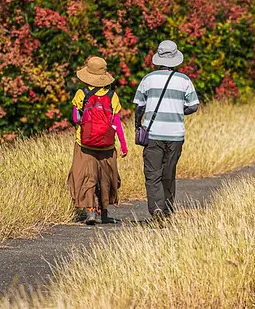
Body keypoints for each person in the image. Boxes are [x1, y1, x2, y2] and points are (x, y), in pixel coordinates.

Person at [133, 40, 199, 220]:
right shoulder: (184, 80)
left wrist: (138, 126)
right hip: (176, 135)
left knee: (152, 173)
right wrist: (178, 111)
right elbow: (193, 106)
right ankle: (168, 211)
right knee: (169, 173)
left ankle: (157, 210)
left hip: (153, 134)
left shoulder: (148, 79)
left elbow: (139, 106)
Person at [67, 56, 128, 225]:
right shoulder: (112, 95)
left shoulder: (81, 94)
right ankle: (105, 212)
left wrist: (87, 123)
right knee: (106, 178)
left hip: (84, 144)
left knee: (87, 176)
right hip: (107, 145)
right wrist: (123, 144)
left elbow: (75, 118)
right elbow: (116, 123)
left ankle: (90, 212)